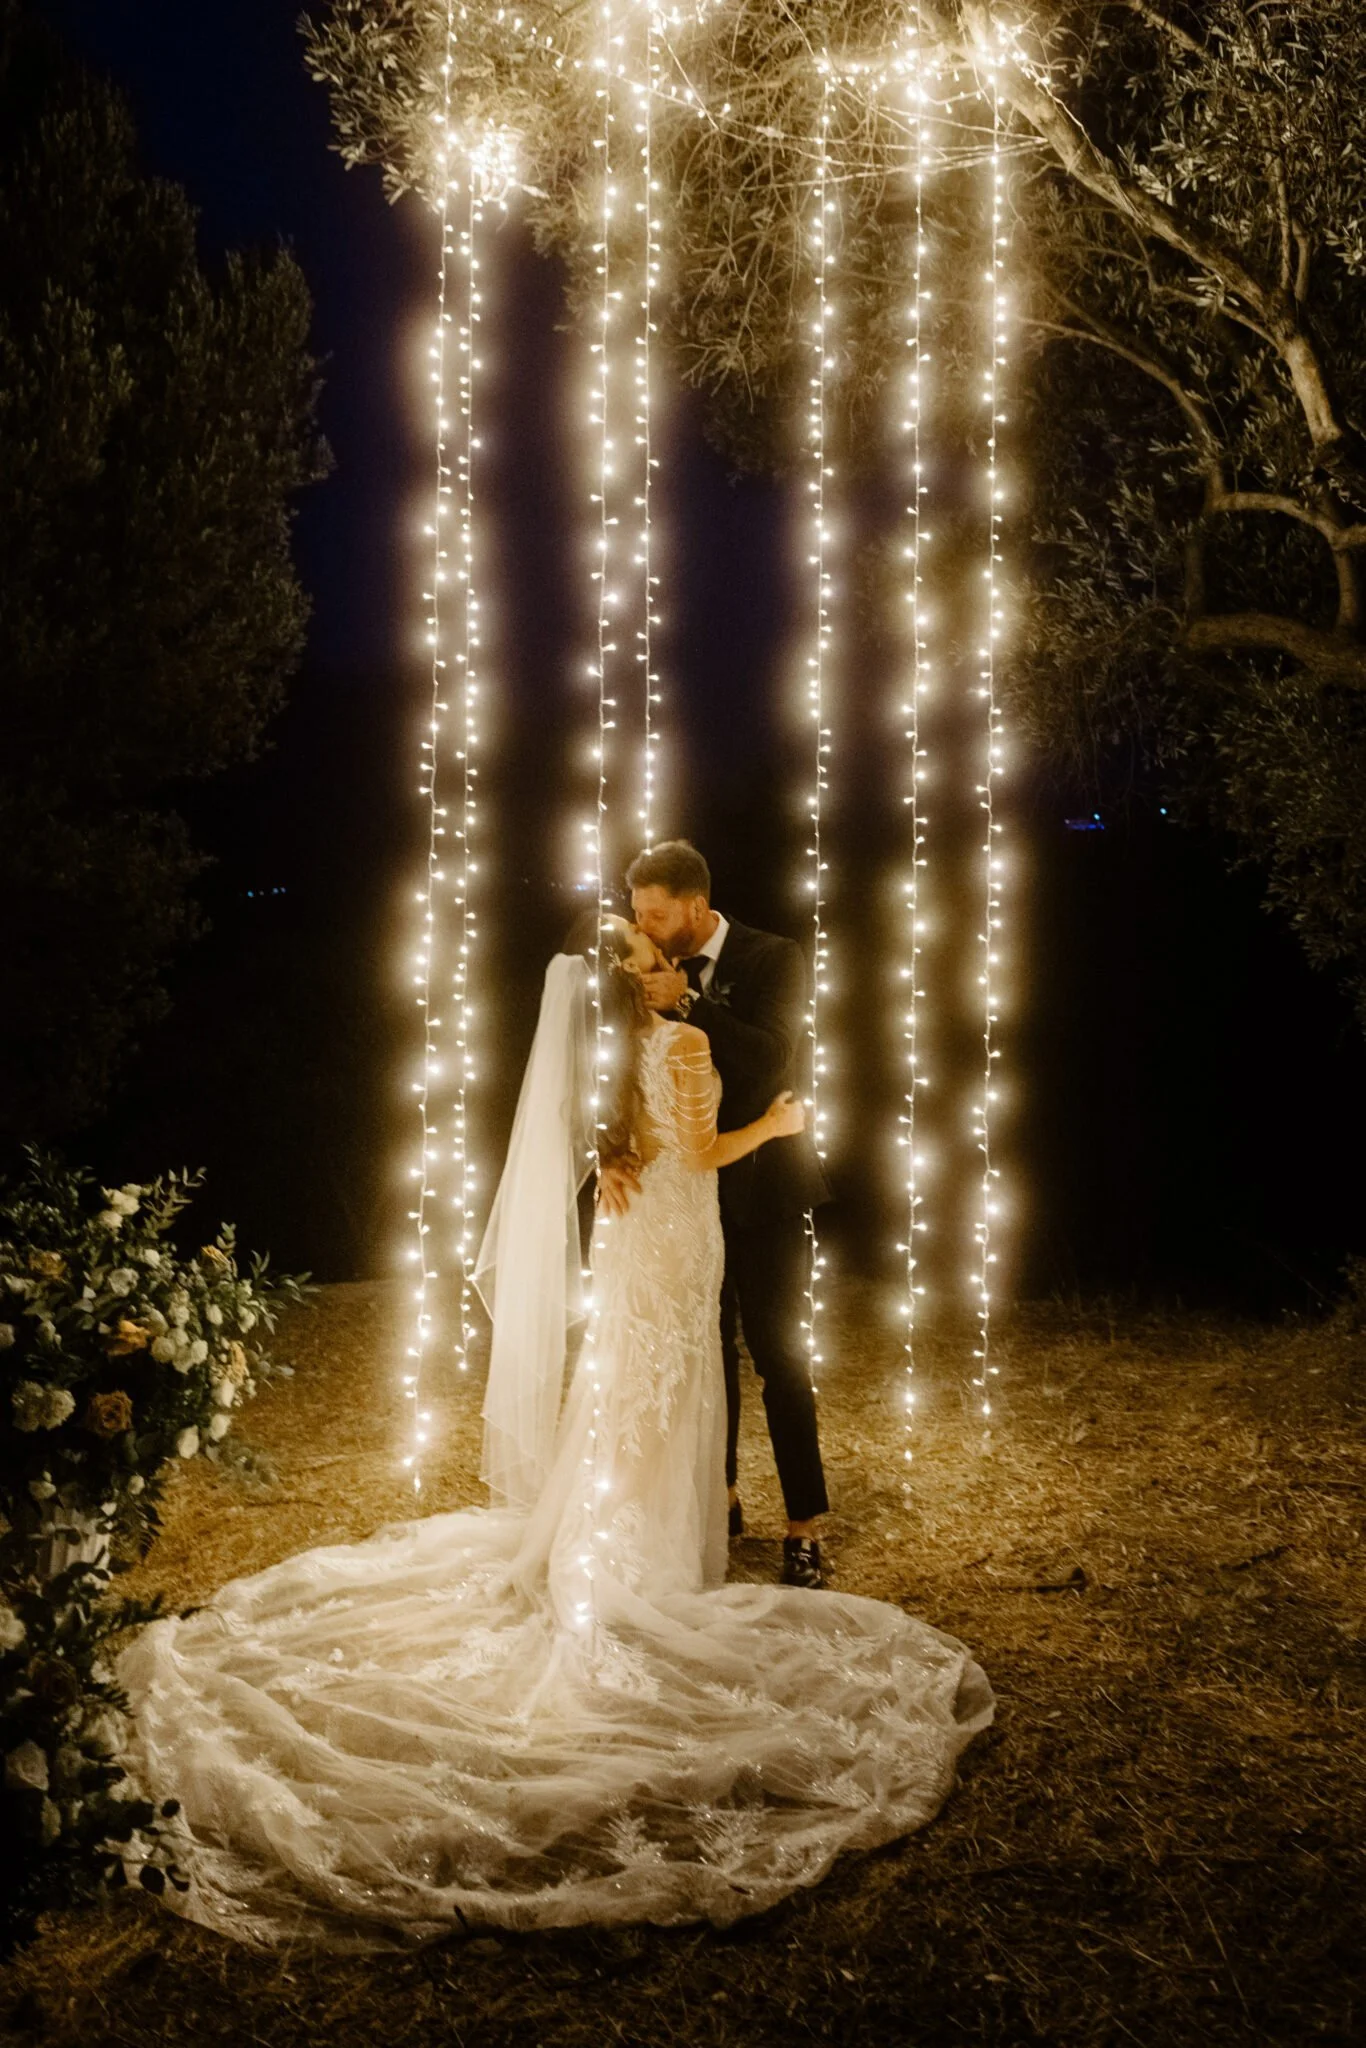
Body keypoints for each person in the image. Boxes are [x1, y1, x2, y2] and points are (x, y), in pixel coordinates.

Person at [118, 916, 991, 1947]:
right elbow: (706, 1147)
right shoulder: (684, 1042)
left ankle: (617, 1523)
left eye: (671, 959)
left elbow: (611, 1148)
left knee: (628, 1388)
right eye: (661, 965)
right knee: (671, 1387)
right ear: (645, 982)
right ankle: (658, 1549)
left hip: (628, 1245)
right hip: (679, 1236)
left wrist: (626, 1159)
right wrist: (781, 1126)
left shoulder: (605, 1055)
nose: (676, 974)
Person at [617, 840, 831, 1588]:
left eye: (654, 912)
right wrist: (610, 1149)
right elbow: (612, 1071)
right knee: (707, 1356)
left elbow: (772, 1058)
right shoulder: (638, 973)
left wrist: (691, 1005)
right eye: (636, 911)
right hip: (687, 1202)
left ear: (696, 908)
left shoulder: (777, 959)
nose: (641, 924)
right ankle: (724, 1496)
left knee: (781, 1357)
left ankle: (803, 1525)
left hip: (767, 1191)